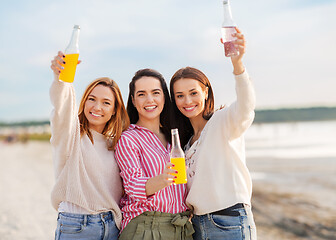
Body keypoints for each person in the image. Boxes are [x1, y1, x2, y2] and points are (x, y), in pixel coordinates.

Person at [169, 28, 257, 239]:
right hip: (198, 225)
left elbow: (246, 107)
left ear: (206, 92)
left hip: (229, 221)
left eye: (193, 93)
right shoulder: (186, 144)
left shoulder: (222, 122)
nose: (187, 101)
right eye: (180, 96)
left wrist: (237, 65)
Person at [49, 51, 129, 240]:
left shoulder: (116, 144)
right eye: (92, 99)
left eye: (106, 102)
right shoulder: (70, 135)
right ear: (84, 102)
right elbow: (62, 108)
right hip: (77, 226)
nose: (97, 107)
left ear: (114, 110)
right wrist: (61, 79)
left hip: (112, 227)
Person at [114, 69, 194, 240]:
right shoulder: (128, 138)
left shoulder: (174, 138)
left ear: (164, 97)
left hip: (179, 226)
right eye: (142, 94)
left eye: (155, 93)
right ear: (134, 101)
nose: (150, 100)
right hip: (146, 227)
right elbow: (133, 186)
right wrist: (163, 179)